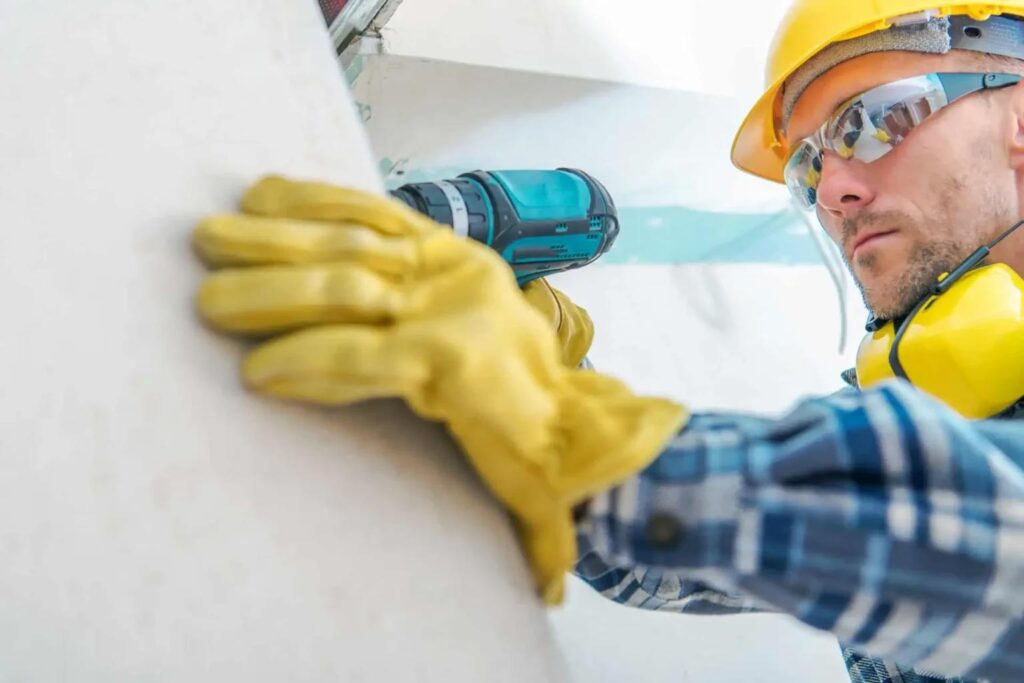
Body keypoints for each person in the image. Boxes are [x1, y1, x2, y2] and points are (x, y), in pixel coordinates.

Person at [191, 2, 1024, 681]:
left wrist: (588, 439)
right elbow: (654, 562)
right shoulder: (906, 425)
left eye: (876, 119)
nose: (834, 187)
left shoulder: (928, 488)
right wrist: (544, 367)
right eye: (808, 164)